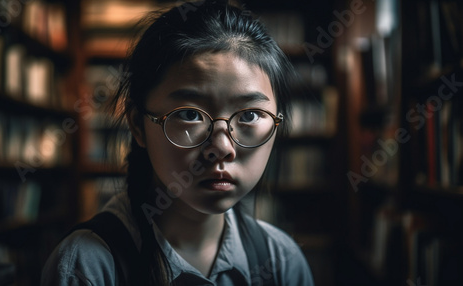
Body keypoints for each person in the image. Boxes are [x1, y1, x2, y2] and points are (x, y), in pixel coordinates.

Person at [41, 0, 314, 285]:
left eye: (250, 115)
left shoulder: (282, 261)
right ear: (138, 124)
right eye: (190, 114)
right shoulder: (87, 268)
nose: (222, 148)